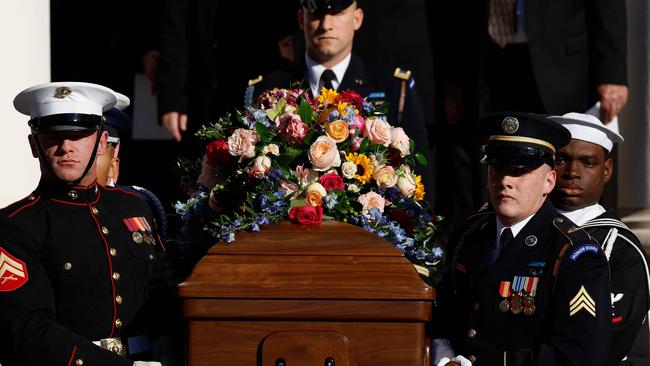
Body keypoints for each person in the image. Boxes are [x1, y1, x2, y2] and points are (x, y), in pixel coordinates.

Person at [0, 82, 181, 366]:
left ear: (101, 142)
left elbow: (163, 289)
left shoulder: (132, 206)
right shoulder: (15, 226)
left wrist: (168, 339)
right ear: (34, 145)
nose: (66, 147)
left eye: (79, 135)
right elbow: (30, 330)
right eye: (52, 137)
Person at [435, 112, 611, 365]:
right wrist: (443, 354)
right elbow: (445, 315)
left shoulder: (575, 255)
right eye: (497, 169)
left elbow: (577, 356)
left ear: (548, 182)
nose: (505, 181)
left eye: (520, 171)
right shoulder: (469, 233)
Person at [254, 0, 435, 206]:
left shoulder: (392, 88)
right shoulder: (268, 90)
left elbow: (420, 183)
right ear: (301, 19)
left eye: (337, 13)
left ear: (357, 19)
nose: (326, 24)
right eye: (316, 13)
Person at [549, 112, 650, 365]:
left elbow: (608, 344)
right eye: (561, 159)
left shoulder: (622, 250)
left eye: (587, 162)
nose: (572, 172)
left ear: (606, 170)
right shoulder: (526, 229)